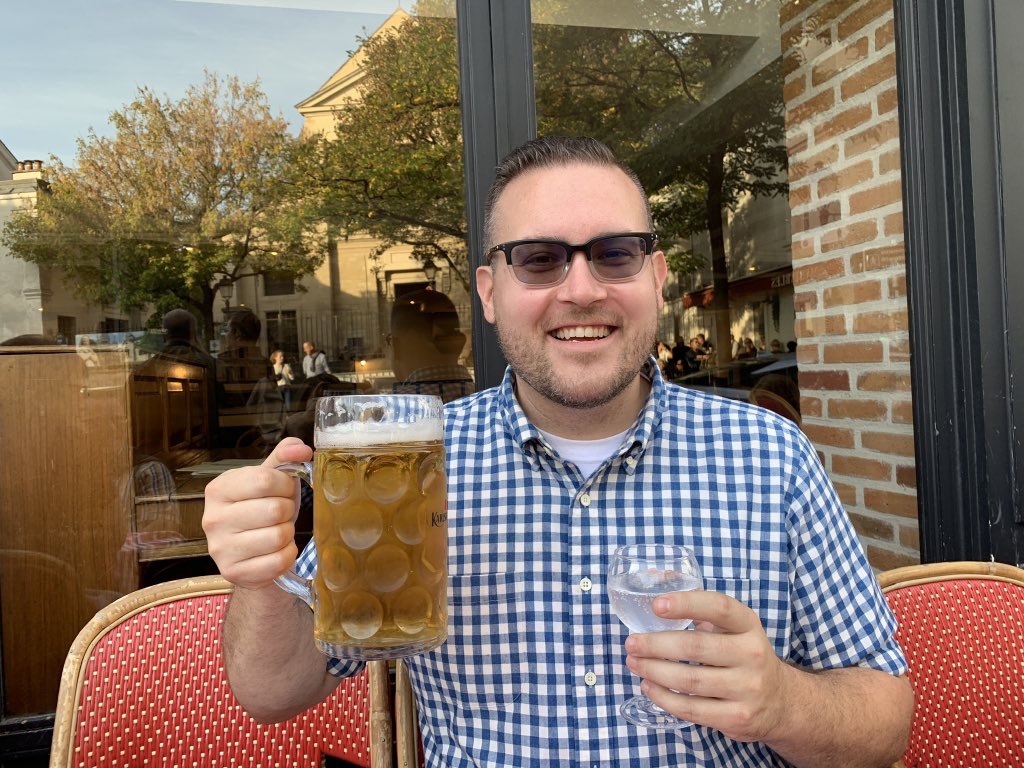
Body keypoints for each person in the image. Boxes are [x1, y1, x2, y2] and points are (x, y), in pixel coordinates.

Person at [203, 136, 912, 767]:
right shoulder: (406, 465)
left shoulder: (770, 455)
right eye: (539, 260)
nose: (581, 289)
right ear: (489, 291)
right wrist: (260, 578)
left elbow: (886, 720)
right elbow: (270, 691)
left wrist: (783, 702)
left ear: (657, 277)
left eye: (615, 254)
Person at [389, 288, 474, 403]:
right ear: (460, 342)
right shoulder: (487, 397)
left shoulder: (390, 407)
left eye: (388, 341)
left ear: (396, 346)